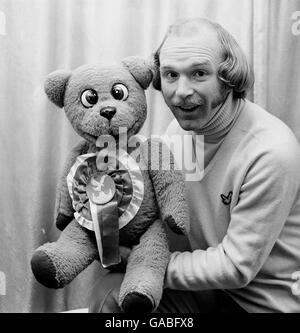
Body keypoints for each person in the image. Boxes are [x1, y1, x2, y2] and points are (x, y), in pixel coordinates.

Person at [89, 17, 300, 313]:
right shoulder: (179, 133)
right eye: (171, 75)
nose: (181, 91)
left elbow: (236, 267)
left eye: (199, 73)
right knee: (111, 290)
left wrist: (142, 261)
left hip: (259, 304)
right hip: (210, 291)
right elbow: (153, 205)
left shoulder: (270, 151)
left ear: (229, 78)